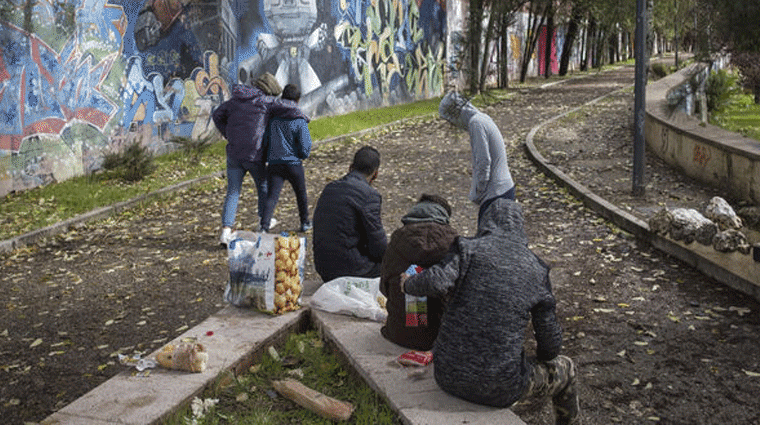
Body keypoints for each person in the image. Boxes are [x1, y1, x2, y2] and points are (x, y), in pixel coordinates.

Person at [399, 198, 579, 424]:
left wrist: (408, 284)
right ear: (520, 226)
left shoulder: (467, 249)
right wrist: (537, 357)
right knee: (567, 368)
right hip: (500, 387)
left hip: (447, 375)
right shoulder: (537, 269)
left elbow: (436, 282)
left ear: (485, 223)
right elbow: (551, 347)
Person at [213, 73, 306, 246]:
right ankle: (263, 221)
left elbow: (217, 114)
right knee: (263, 187)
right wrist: (303, 119)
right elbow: (290, 107)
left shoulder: (235, 100)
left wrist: (228, 133)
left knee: (233, 192)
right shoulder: (265, 101)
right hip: (254, 154)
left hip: (234, 153)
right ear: (268, 90)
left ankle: (226, 231)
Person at [379, 194, 458, 351]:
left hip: (399, 333)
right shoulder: (455, 242)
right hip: (442, 337)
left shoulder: (397, 239)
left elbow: (384, 287)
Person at [312, 146, 387, 283]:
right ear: (376, 174)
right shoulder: (370, 195)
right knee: (401, 266)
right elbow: (378, 247)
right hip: (353, 270)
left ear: (350, 167)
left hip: (324, 268)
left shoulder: (329, 189)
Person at [438, 91, 515, 224]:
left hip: (495, 194)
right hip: (504, 189)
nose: (453, 124)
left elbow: (484, 161)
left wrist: (478, 191)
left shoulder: (476, 123)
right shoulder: (482, 118)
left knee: (488, 241)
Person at [259, 84, 312, 233]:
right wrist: (301, 155)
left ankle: (264, 227)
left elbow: (266, 140)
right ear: (298, 100)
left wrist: (267, 156)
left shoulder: (273, 118)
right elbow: (305, 146)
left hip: (275, 163)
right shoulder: (299, 119)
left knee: (272, 197)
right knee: (301, 194)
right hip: (293, 164)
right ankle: (304, 222)